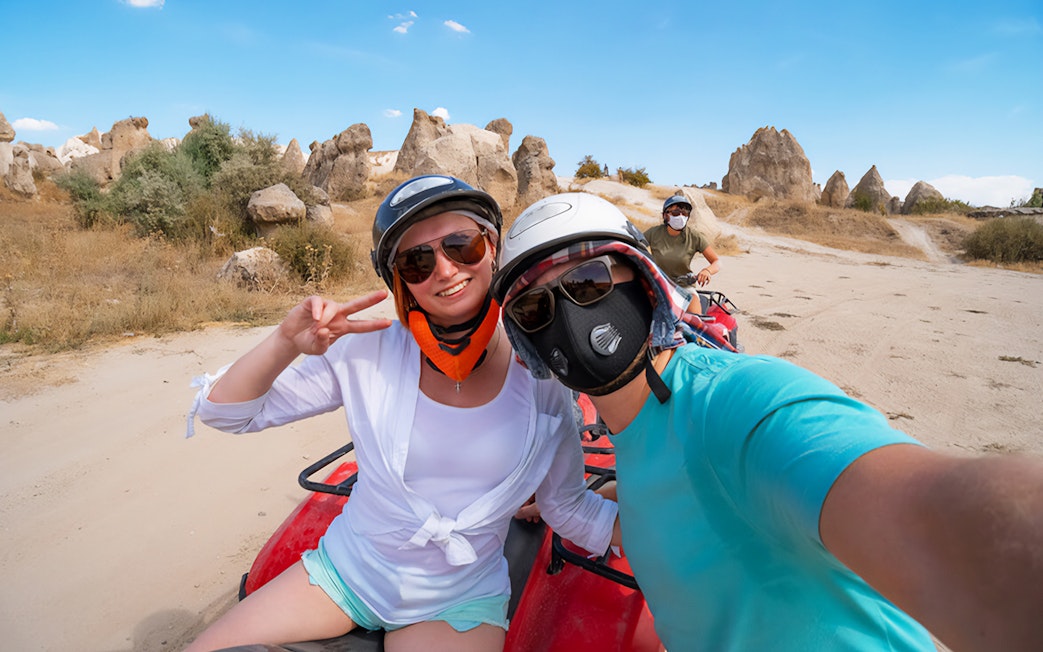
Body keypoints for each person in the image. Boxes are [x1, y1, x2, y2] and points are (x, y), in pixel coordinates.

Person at [490, 192, 1043, 652]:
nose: (567, 314)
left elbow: (948, 516)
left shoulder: (740, 403)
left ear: (643, 281)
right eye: (533, 309)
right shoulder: (637, 440)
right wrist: (619, 489)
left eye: (589, 283)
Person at [184, 176, 618, 652]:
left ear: (493, 247)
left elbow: (568, 507)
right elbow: (225, 414)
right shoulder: (366, 351)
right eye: (417, 260)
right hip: (345, 573)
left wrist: (687, 526)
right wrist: (285, 343)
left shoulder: (541, 373)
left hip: (458, 602)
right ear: (399, 279)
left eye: (463, 245)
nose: (446, 270)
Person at [644, 194, 719, 304]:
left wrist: (707, 271)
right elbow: (635, 246)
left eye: (684, 213)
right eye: (675, 213)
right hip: (658, 284)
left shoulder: (694, 236)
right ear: (665, 215)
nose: (680, 216)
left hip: (684, 287)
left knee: (694, 318)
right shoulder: (654, 233)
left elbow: (717, 261)